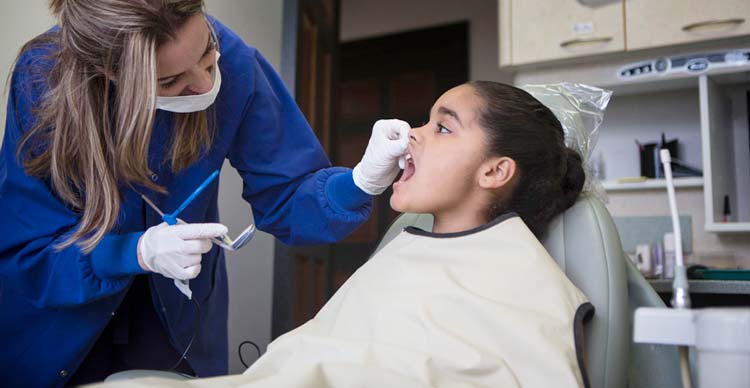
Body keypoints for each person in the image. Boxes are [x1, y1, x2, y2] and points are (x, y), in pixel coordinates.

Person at [0, 0, 410, 387]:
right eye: (171, 81)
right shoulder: (44, 78)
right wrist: (135, 251)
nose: (205, 82)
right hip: (59, 315)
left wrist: (360, 181)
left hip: (174, 310)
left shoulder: (234, 61)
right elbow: (26, 252)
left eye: (206, 54)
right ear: (107, 76)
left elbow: (289, 197)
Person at [99, 81, 592, 388]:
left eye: (442, 128)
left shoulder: (519, 277)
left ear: (495, 171)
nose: (413, 133)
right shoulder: (409, 244)